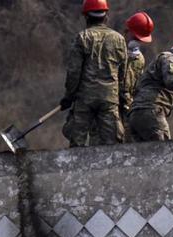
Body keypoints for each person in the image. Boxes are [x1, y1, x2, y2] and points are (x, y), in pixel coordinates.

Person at [61, 0, 128, 147]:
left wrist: (68, 96)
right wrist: (122, 96)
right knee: (113, 144)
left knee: (77, 143)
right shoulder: (119, 39)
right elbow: (123, 73)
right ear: (106, 16)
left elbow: (74, 72)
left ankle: (77, 168)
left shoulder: (82, 38)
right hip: (109, 98)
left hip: (85, 98)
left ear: (86, 17)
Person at [119, 12, 154, 129]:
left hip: (127, 109)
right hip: (109, 107)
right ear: (126, 32)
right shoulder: (113, 50)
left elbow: (136, 85)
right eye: (135, 38)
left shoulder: (140, 59)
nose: (136, 42)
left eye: (139, 40)